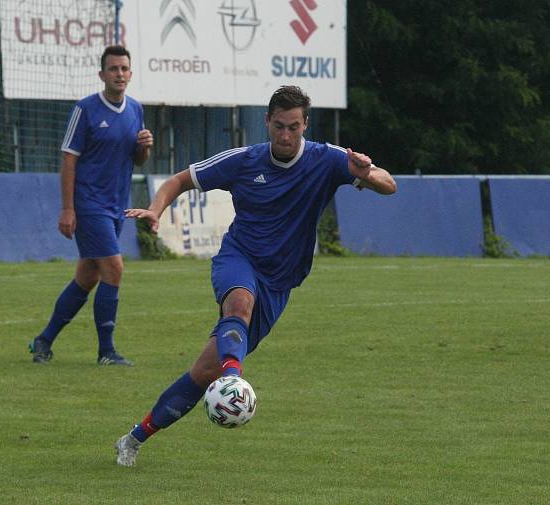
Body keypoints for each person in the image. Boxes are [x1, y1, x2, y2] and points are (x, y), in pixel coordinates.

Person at [114, 85, 397, 466]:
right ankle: (235, 379)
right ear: (267, 121)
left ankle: (135, 437)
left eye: (293, 127)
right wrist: (155, 209)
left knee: (201, 373)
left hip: (279, 282)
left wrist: (368, 173)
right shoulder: (244, 161)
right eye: (278, 126)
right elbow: (180, 180)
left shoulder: (327, 159)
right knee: (239, 302)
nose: (285, 136)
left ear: (305, 125)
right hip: (239, 258)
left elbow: (388, 185)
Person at [29, 45, 153, 366]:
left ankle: (44, 341)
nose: (119, 74)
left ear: (131, 73)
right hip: (88, 204)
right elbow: (69, 159)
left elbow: (137, 160)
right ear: (102, 75)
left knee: (87, 277)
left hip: (115, 206)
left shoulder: (135, 110)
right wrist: (67, 209)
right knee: (114, 268)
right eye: (113, 69)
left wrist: (145, 148)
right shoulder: (85, 109)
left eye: (124, 69)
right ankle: (106, 352)